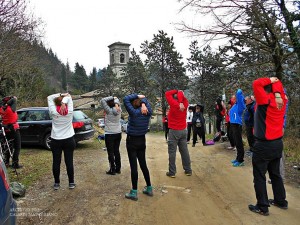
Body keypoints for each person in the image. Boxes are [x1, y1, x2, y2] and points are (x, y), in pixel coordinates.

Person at [248, 77, 288, 216]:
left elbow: (256, 83)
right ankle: (280, 201)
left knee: (259, 176)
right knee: (275, 174)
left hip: (263, 145)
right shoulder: (282, 100)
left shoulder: (265, 100)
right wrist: (276, 84)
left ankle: (262, 206)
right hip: (278, 143)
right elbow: (278, 90)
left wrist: (270, 79)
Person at [123, 93, 153, 201]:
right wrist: (144, 102)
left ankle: (134, 192)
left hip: (132, 141)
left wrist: (137, 95)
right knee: (143, 164)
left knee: (133, 166)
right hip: (142, 140)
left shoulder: (133, 113)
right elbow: (147, 102)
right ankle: (149, 187)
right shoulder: (148, 112)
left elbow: (126, 98)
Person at [47, 93, 76, 190]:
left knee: (56, 162)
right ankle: (71, 183)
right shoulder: (70, 111)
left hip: (56, 140)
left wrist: (60, 94)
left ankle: (56, 183)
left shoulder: (53, 111)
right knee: (69, 162)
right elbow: (70, 98)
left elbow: (49, 97)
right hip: (69, 139)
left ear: (55, 103)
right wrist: (65, 100)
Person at [165, 89, 192, 178]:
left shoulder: (174, 104)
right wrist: (181, 95)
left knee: (172, 152)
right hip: (183, 130)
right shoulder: (185, 104)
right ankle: (188, 170)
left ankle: (172, 172)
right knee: (184, 151)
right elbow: (183, 98)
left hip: (174, 131)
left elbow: (167, 93)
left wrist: (176, 90)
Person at [100, 96, 122, 175]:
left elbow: (102, 100)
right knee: (116, 151)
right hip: (118, 133)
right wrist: (116, 99)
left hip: (109, 134)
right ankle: (118, 169)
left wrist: (112, 97)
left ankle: (112, 169)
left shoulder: (108, 111)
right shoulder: (119, 110)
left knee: (110, 152)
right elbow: (118, 102)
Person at [0, 96, 22, 169]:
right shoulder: (11, 109)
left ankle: (6, 162)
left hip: (6, 129)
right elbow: (14, 100)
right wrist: (12, 98)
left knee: (9, 146)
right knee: (17, 147)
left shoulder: (2, 109)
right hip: (14, 129)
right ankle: (15, 164)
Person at [230, 89, 246, 167]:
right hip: (233, 124)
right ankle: (237, 158)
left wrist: (238, 90)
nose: (233, 98)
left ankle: (241, 160)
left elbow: (239, 93)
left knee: (239, 143)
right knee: (236, 142)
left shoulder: (240, 105)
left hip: (237, 125)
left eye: (235, 97)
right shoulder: (235, 105)